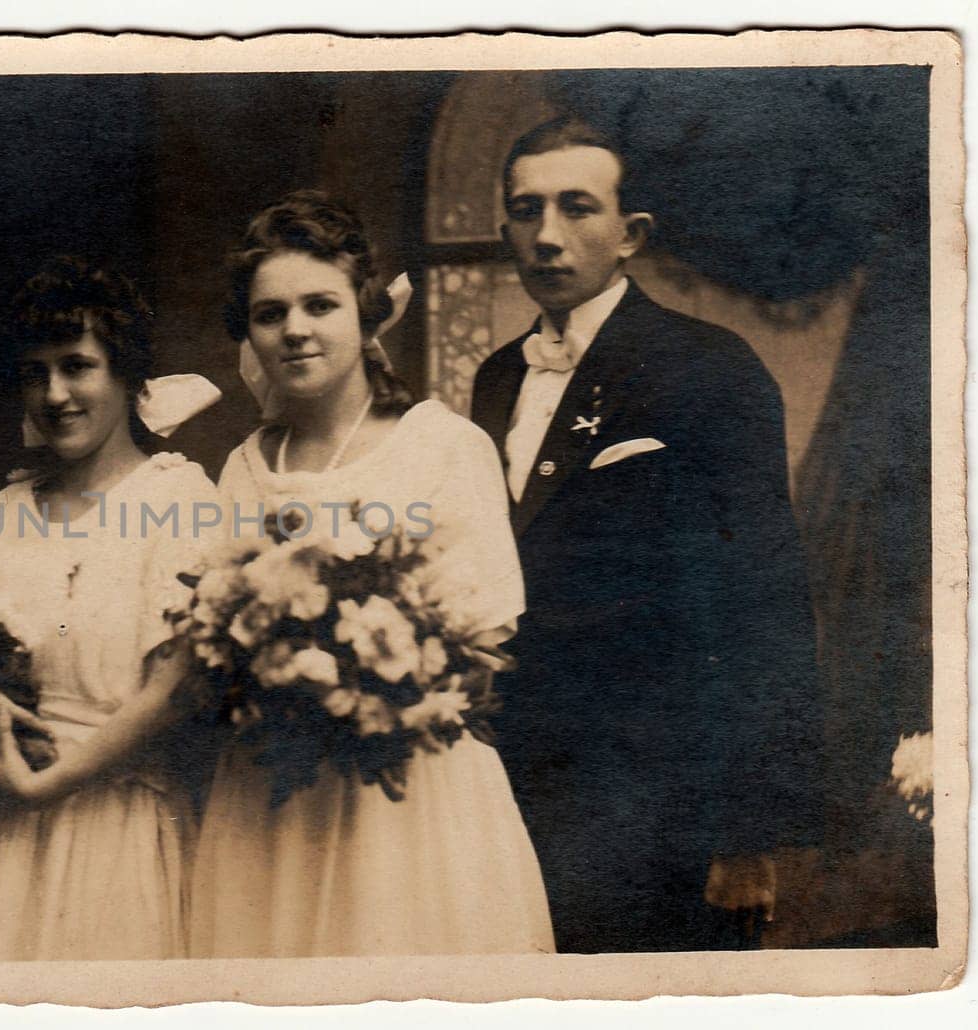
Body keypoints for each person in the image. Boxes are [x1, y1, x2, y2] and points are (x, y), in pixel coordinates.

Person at [472, 116, 823, 953]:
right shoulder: (495, 379)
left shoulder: (709, 368)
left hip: (662, 806)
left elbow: (763, 602)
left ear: (631, 235)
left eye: (576, 208)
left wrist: (745, 834)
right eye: (526, 211)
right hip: (514, 791)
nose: (547, 236)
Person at [187, 191, 554, 957]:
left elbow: (485, 641)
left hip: (410, 791)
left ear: (365, 313)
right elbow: (212, 637)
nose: (295, 329)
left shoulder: (444, 447)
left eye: (320, 305)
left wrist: (368, 687)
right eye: (269, 314)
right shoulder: (243, 468)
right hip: (274, 797)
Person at [0, 256, 221, 962]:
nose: (56, 394)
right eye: (35, 373)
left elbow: (175, 690)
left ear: (127, 375)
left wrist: (51, 783)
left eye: (77, 366)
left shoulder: (179, 502)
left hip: (110, 826)